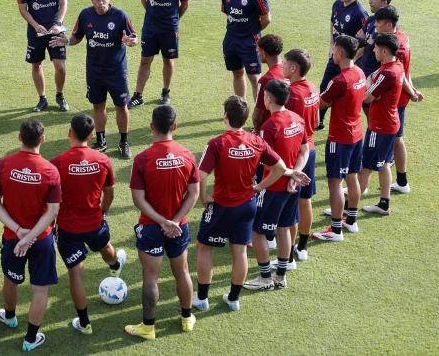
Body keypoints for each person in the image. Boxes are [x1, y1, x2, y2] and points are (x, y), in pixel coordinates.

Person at [193, 96, 308, 312]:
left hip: (222, 206)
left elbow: (201, 175)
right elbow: (281, 168)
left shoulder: (216, 144)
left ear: (225, 117)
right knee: (240, 251)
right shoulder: (256, 141)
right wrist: (259, 187)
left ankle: (201, 299)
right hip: (247, 205)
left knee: (205, 247)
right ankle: (234, 299)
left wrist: (204, 197)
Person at [125, 105, 198, 340]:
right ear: (175, 126)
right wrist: (174, 221)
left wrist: (161, 221)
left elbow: (138, 198)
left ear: (151, 127)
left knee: (150, 276)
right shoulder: (187, 154)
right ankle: (187, 317)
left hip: (150, 227)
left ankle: (148, 327)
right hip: (179, 227)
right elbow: (194, 193)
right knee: (182, 271)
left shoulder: (143, 159)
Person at [50, 113, 127, 335]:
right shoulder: (103, 160)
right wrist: (102, 211)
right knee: (105, 246)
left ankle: (84, 323)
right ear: (92, 135)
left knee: (76, 274)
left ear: (69, 133)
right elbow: (110, 193)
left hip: (67, 228)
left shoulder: (57, 163)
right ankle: (114, 266)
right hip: (95, 222)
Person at [0, 119, 60, 352]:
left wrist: (19, 232)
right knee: (40, 289)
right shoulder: (51, 171)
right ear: (43, 139)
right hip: (42, 240)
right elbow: (52, 212)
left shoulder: (3, 165)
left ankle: (9, 317)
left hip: (13, 239)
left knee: (11, 279)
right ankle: (30, 339)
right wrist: (30, 236)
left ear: (19, 137)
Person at [52, 0, 139, 158]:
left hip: (116, 71)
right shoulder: (85, 15)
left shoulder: (120, 16)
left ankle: (123, 142)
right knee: (98, 106)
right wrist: (67, 41)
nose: (101, 3)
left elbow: (134, 38)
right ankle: (101, 141)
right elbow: (77, 36)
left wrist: (130, 42)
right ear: (92, 0)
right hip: (95, 71)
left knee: (121, 106)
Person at [244, 80, 309, 291]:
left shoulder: (269, 127)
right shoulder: (297, 119)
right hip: (292, 186)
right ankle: (280, 276)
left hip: (273, 187)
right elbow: (305, 151)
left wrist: (259, 187)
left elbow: (272, 166)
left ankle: (265, 278)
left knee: (257, 232)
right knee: (284, 229)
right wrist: (295, 174)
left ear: (269, 99)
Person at [360, 33, 423, 216]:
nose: (373, 51)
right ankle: (384, 203)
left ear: (385, 51)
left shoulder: (386, 73)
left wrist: (369, 83)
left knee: (365, 167)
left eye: (376, 48)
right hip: (391, 123)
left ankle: (348, 211)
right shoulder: (397, 66)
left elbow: (368, 97)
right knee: (385, 163)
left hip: (379, 127)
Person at [313, 35, 367, 242]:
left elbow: (321, 103)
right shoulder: (360, 73)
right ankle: (351, 221)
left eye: (334, 50)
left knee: (335, 184)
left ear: (341, 53)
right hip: (356, 134)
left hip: (339, 138)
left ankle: (336, 230)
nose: (332, 53)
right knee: (352, 177)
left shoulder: (339, 80)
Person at [128, 0, 190, 107]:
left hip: (169, 28)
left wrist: (174, 18)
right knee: (145, 60)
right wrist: (151, 12)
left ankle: (165, 91)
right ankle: (138, 95)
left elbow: (184, 4)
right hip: (150, 26)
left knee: (168, 60)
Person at [371, 6, 422, 195]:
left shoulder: (395, 47)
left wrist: (412, 93)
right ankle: (402, 181)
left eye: (379, 22)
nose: (375, 25)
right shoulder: (403, 38)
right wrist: (413, 90)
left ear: (389, 24)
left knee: (381, 146)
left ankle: (366, 185)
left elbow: (400, 74)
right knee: (397, 139)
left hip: (392, 101)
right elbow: (407, 71)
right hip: (399, 100)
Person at [17, 0, 69, 112]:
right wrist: (35, 25)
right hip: (36, 32)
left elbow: (63, 3)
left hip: (55, 30)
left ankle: (60, 95)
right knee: (36, 64)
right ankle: (42, 98)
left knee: (60, 66)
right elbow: (23, 8)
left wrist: (58, 23)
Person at [317, 0, 368, 130]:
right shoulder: (337, 4)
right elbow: (333, 24)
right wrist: (332, 46)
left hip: (348, 62)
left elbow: (363, 41)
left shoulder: (360, 13)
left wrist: (352, 60)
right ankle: (319, 120)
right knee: (324, 87)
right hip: (335, 57)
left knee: (345, 94)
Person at [283, 48, 320, 261]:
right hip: (310, 148)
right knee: (305, 200)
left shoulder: (292, 95)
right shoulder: (312, 88)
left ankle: (287, 255)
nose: (282, 66)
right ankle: (302, 247)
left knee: (290, 204)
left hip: (295, 153)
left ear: (294, 68)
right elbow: (314, 122)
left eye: (285, 64)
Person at [221, 0, 271, 99]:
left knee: (255, 79)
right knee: (237, 73)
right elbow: (226, 11)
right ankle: (241, 106)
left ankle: (259, 111)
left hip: (250, 42)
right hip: (231, 40)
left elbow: (266, 19)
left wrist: (253, 29)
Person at [355, 0, 392, 77]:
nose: (370, 1)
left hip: (374, 75)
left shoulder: (387, 25)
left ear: (384, 3)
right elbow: (360, 36)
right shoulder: (371, 19)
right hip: (361, 70)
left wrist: (367, 42)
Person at [251, 34, 285, 132]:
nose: (257, 53)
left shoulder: (266, 79)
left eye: (258, 51)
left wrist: (257, 131)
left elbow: (257, 115)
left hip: (271, 129)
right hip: (288, 125)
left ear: (264, 53)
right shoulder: (289, 72)